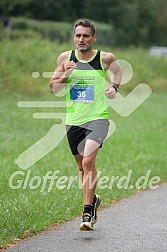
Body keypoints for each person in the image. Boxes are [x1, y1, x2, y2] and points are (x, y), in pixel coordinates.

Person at [50, 19, 122, 231]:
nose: (81, 39)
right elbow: (53, 88)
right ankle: (94, 199)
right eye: (78, 35)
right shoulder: (65, 58)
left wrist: (115, 88)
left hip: (98, 118)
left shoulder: (105, 58)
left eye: (86, 36)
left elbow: (118, 72)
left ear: (93, 38)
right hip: (73, 121)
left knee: (89, 161)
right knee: (82, 167)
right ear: (74, 37)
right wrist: (66, 75)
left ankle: (87, 212)